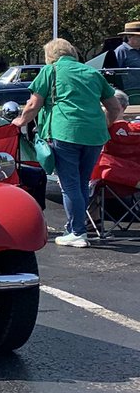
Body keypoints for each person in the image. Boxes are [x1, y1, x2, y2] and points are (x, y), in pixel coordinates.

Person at [12, 37, 123, 248]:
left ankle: (77, 231)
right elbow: (115, 107)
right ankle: (76, 227)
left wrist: (20, 120)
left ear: (50, 57)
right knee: (82, 183)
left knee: (69, 185)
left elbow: (34, 104)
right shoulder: (92, 73)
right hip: (94, 135)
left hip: (65, 132)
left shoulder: (50, 71)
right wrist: (105, 125)